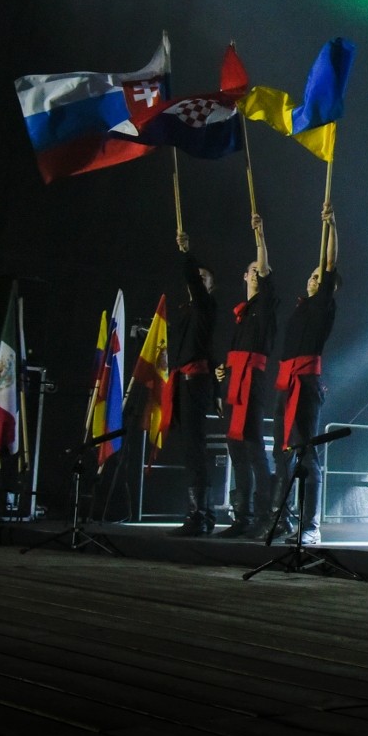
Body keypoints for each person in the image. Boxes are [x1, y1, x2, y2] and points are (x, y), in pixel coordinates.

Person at [266, 206, 339, 547]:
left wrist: (331, 227)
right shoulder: (300, 307)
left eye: (320, 277)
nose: (314, 279)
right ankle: (283, 519)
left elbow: (330, 263)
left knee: (306, 453)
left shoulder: (324, 305)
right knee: (282, 453)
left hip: (306, 384)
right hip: (285, 383)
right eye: (311, 276)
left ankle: (311, 525)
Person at [213, 214, 276, 538]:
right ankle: (242, 516)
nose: (255, 274)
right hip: (233, 384)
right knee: (236, 450)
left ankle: (265, 515)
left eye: (258, 271)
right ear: (243, 276)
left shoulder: (265, 306)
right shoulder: (241, 313)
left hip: (252, 384)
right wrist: (223, 373)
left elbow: (264, 272)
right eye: (250, 270)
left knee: (253, 449)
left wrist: (259, 237)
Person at [165, 229, 217, 536]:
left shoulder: (206, 307)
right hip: (182, 380)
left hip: (195, 381)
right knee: (188, 447)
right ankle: (200, 512)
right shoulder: (186, 312)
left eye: (203, 278)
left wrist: (187, 255)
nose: (198, 280)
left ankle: (200, 515)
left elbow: (196, 288)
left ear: (210, 286)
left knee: (195, 446)